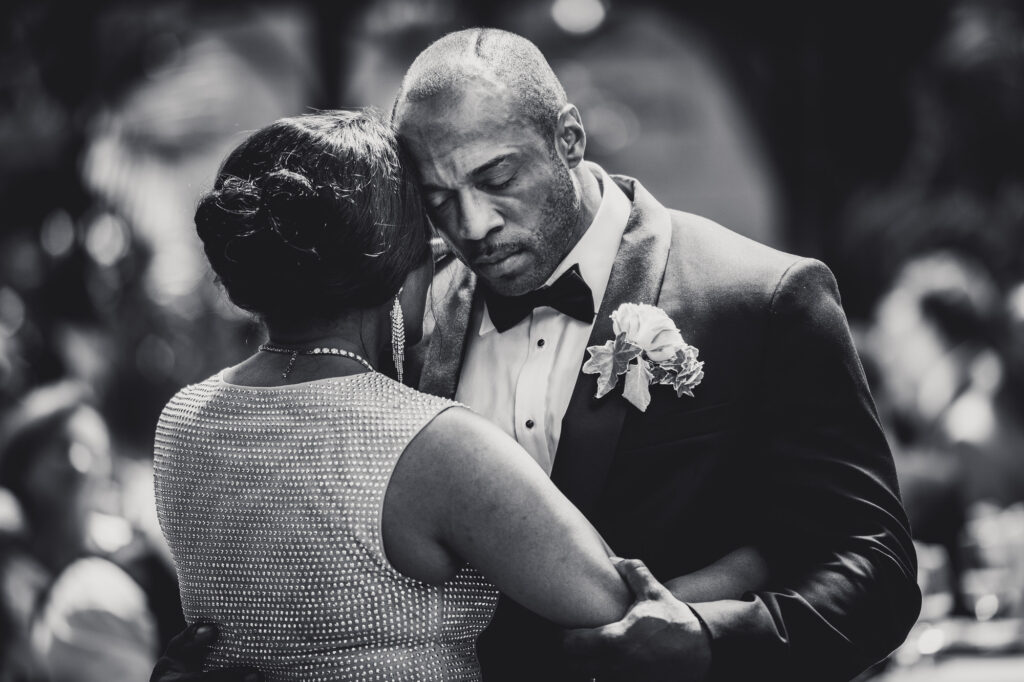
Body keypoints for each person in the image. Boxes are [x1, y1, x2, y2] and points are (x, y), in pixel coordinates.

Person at [155, 29, 921, 682]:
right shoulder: (405, 314)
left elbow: (876, 567)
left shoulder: (761, 295)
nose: (473, 223)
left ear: (569, 138)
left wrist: (713, 637)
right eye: (439, 197)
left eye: (497, 178)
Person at [151, 109, 768, 682]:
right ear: (400, 269)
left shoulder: (181, 421)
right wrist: (758, 562)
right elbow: (623, 613)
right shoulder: (434, 444)